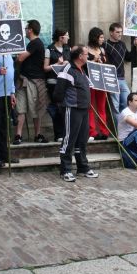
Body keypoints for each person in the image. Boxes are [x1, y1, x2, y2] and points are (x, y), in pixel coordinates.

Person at [54, 45, 99, 182]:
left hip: (84, 109)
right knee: (69, 139)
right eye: (86, 54)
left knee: (82, 140)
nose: (88, 56)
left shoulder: (82, 70)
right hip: (72, 109)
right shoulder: (67, 70)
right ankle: (65, 170)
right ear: (80, 56)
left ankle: (83, 167)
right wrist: (64, 107)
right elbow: (58, 93)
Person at [14, 19, 49, 144]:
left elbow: (20, 58)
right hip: (24, 79)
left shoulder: (36, 43)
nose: (24, 31)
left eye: (26, 28)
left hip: (33, 81)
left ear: (30, 30)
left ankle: (37, 134)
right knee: (21, 108)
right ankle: (18, 135)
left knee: (35, 109)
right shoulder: (32, 43)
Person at [104, 23, 137, 114]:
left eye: (121, 32)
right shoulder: (105, 45)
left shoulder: (122, 44)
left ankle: (124, 126)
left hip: (122, 79)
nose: (120, 34)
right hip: (112, 79)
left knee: (127, 103)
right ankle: (116, 128)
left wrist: (134, 46)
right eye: (117, 32)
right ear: (111, 33)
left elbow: (128, 58)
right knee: (115, 105)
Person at [44, 28, 71, 142]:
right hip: (53, 82)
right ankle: (58, 134)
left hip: (65, 82)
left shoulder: (67, 48)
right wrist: (57, 64)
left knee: (65, 107)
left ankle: (66, 133)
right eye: (67, 35)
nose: (68, 37)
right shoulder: (49, 49)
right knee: (57, 107)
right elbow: (45, 68)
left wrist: (67, 63)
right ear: (61, 38)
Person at [86, 27, 111, 141]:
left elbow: (107, 64)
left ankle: (104, 131)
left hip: (101, 81)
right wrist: (93, 60)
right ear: (95, 38)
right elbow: (83, 64)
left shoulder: (103, 49)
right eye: (101, 37)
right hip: (90, 81)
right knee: (90, 107)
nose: (103, 39)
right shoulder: (86, 50)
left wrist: (102, 61)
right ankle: (92, 132)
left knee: (102, 107)